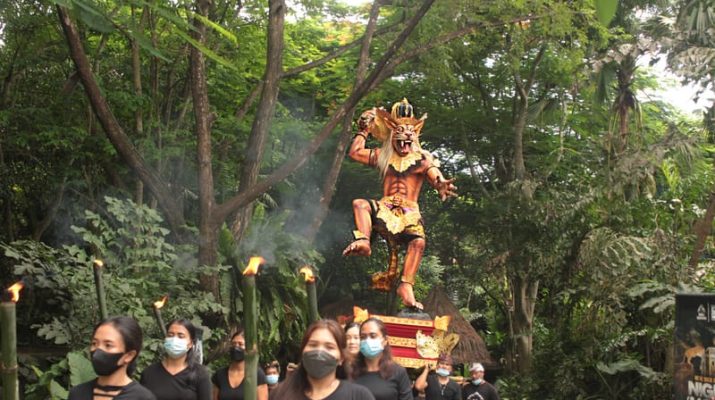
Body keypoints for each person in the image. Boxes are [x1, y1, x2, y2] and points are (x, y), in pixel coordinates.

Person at [342, 99, 457, 310]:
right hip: (385, 208)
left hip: (409, 210)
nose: (405, 136)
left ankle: (406, 285)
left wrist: (441, 184)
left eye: (410, 132)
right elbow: (355, 153)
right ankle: (365, 241)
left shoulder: (422, 158)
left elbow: (435, 175)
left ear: (416, 134)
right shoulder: (383, 155)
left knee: (419, 242)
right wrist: (364, 131)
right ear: (392, 132)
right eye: (400, 131)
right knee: (360, 204)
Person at [270, 319, 374, 400]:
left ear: (341, 358)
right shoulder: (280, 394)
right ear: (302, 351)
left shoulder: (359, 396)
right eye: (313, 345)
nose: (319, 352)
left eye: (329, 347)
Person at [68, 316, 156, 400]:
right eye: (94, 343)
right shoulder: (77, 393)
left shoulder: (142, 397)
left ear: (129, 355)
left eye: (108, 345)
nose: (98, 351)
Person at [140, 319, 211, 400]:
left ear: (190, 344)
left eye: (181, 336)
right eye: (170, 335)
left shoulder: (200, 374)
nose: (174, 339)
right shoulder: (149, 373)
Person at [351, 317, 413, 400]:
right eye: (363, 337)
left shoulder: (398, 372)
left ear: (385, 340)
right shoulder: (349, 371)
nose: (367, 340)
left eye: (373, 336)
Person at [212, 329, 268, 400]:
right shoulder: (220, 374)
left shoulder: (257, 375)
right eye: (233, 344)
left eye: (240, 344)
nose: (236, 347)